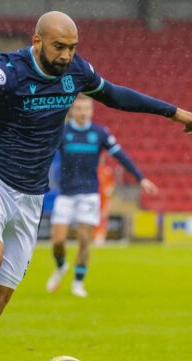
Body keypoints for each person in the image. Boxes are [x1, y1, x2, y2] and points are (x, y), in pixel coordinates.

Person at [0, 11, 192, 361]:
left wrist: (173, 112)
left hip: (32, 194)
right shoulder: (9, 72)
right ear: (36, 41)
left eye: (72, 48)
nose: (66, 55)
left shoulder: (76, 72)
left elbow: (114, 95)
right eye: (59, 47)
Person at [46, 95, 159, 297]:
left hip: (90, 194)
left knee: (84, 240)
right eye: (79, 109)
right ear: (72, 111)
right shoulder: (62, 132)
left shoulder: (99, 133)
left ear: (92, 111)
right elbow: (43, 155)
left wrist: (140, 179)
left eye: (86, 109)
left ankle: (78, 283)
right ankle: (61, 266)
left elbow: (121, 156)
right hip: (66, 194)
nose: (83, 112)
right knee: (58, 242)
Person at [94, 156, 115, 246]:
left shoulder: (107, 170)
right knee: (93, 217)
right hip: (94, 197)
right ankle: (94, 235)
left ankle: (101, 236)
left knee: (103, 216)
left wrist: (109, 190)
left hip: (104, 198)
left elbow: (111, 184)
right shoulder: (93, 169)